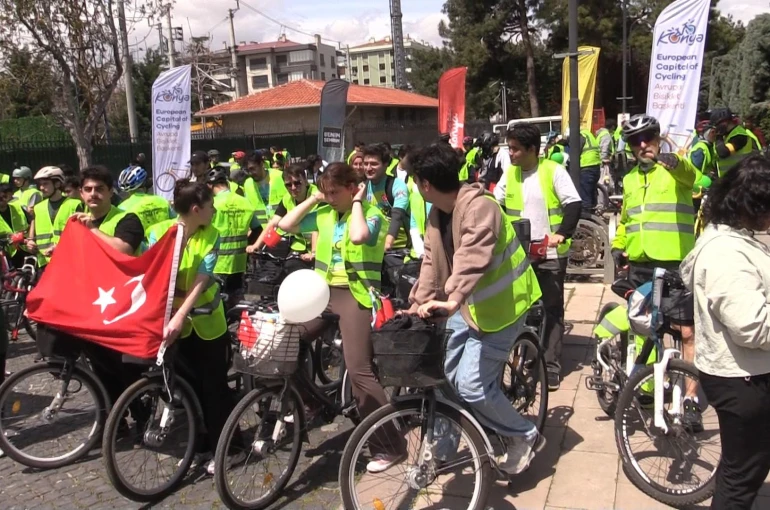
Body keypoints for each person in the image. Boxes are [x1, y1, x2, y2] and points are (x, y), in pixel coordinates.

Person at [407, 143, 545, 474]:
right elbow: (431, 261)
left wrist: (451, 298)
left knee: (470, 384)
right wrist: (416, 304)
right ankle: (445, 447)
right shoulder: (437, 214)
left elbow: (473, 256)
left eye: (415, 180)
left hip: (503, 307)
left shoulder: (481, 208)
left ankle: (525, 434)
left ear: (426, 184)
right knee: (445, 376)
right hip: (466, 307)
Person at [277, 163, 404, 473]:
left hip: (356, 296)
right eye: (328, 192)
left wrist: (359, 200)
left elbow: (360, 236)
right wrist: (314, 198)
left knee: (359, 371)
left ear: (352, 187)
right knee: (282, 347)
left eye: (336, 192)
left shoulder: (372, 213)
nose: (331, 198)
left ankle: (391, 445)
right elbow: (286, 225)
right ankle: (316, 403)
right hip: (322, 294)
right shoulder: (324, 213)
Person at [679, 155, 770, 510]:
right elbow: (751, 325)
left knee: (745, 467)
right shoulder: (726, 254)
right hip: (743, 380)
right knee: (740, 476)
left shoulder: (737, 238)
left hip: (747, 373)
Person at [611, 114, 701, 430]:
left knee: (687, 332)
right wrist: (618, 246)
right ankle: (647, 388)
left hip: (676, 264)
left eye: (648, 137)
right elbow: (627, 220)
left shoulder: (676, 170)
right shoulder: (630, 179)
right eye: (635, 141)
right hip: (641, 265)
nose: (642, 145)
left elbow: (695, 179)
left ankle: (690, 400)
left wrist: (674, 162)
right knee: (646, 330)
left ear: (658, 138)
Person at [146, 179, 236, 476]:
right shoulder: (159, 232)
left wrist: (180, 314)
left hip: (207, 325)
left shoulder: (213, 234)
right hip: (174, 329)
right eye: (210, 207)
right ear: (196, 209)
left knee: (215, 391)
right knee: (189, 392)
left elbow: (203, 279)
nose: (214, 211)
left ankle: (228, 449)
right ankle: (198, 446)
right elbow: (151, 270)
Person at [495, 124, 583, 390]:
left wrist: (562, 234)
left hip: (550, 253)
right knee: (521, 307)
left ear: (532, 149)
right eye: (509, 148)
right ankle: (524, 354)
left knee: (551, 307)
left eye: (515, 149)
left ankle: (551, 364)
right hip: (518, 254)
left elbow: (574, 204)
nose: (510, 154)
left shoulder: (552, 171)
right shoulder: (509, 174)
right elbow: (496, 202)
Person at [246, 164, 318, 270]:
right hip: (300, 244)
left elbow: (317, 227)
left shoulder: (317, 196)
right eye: (288, 185)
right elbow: (273, 223)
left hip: (320, 244)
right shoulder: (287, 199)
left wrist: (313, 252)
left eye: (297, 183)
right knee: (287, 267)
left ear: (306, 181)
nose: (293, 188)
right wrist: (256, 245)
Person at [205, 166, 259, 305]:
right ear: (227, 183)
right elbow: (257, 229)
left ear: (210, 186)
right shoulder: (245, 202)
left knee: (217, 303)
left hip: (217, 263)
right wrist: (247, 244)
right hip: (240, 262)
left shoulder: (212, 204)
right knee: (236, 301)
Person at [72, 166, 145, 255]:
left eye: (99, 189)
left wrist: (92, 229)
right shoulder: (79, 222)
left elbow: (124, 251)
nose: (93, 194)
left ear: (111, 192)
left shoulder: (129, 219)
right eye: (88, 189)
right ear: (81, 194)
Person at [26, 166, 83, 269]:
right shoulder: (38, 208)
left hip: (70, 261)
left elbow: (81, 236)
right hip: (44, 263)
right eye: (40, 184)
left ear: (57, 184)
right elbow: (33, 231)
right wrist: (30, 241)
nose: (41, 188)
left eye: (45, 184)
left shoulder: (74, 205)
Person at [362, 144, 410, 253]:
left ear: (386, 164)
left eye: (374, 164)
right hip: (373, 248)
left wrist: (388, 243)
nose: (368, 168)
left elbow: (397, 216)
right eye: (366, 164)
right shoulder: (363, 187)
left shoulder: (397, 185)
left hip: (396, 249)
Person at [117, 166, 174, 233]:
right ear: (145, 183)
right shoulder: (162, 201)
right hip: (164, 242)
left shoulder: (121, 208)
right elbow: (175, 222)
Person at [242, 152, 288, 233]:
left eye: (252, 169)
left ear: (261, 164)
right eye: (247, 170)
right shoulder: (248, 184)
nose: (250, 173)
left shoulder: (281, 176)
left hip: (285, 231)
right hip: (264, 234)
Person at [710, 108, 762, 178]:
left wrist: (718, 136)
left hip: (741, 178)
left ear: (725, 122)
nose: (716, 128)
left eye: (717, 125)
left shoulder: (739, 135)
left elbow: (723, 152)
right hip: (729, 179)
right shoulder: (726, 136)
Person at [0, 183, 31, 270]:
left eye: (4, 196)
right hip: (6, 253)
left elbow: (33, 220)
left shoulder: (18, 208)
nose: (2, 199)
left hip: (25, 248)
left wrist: (31, 238)